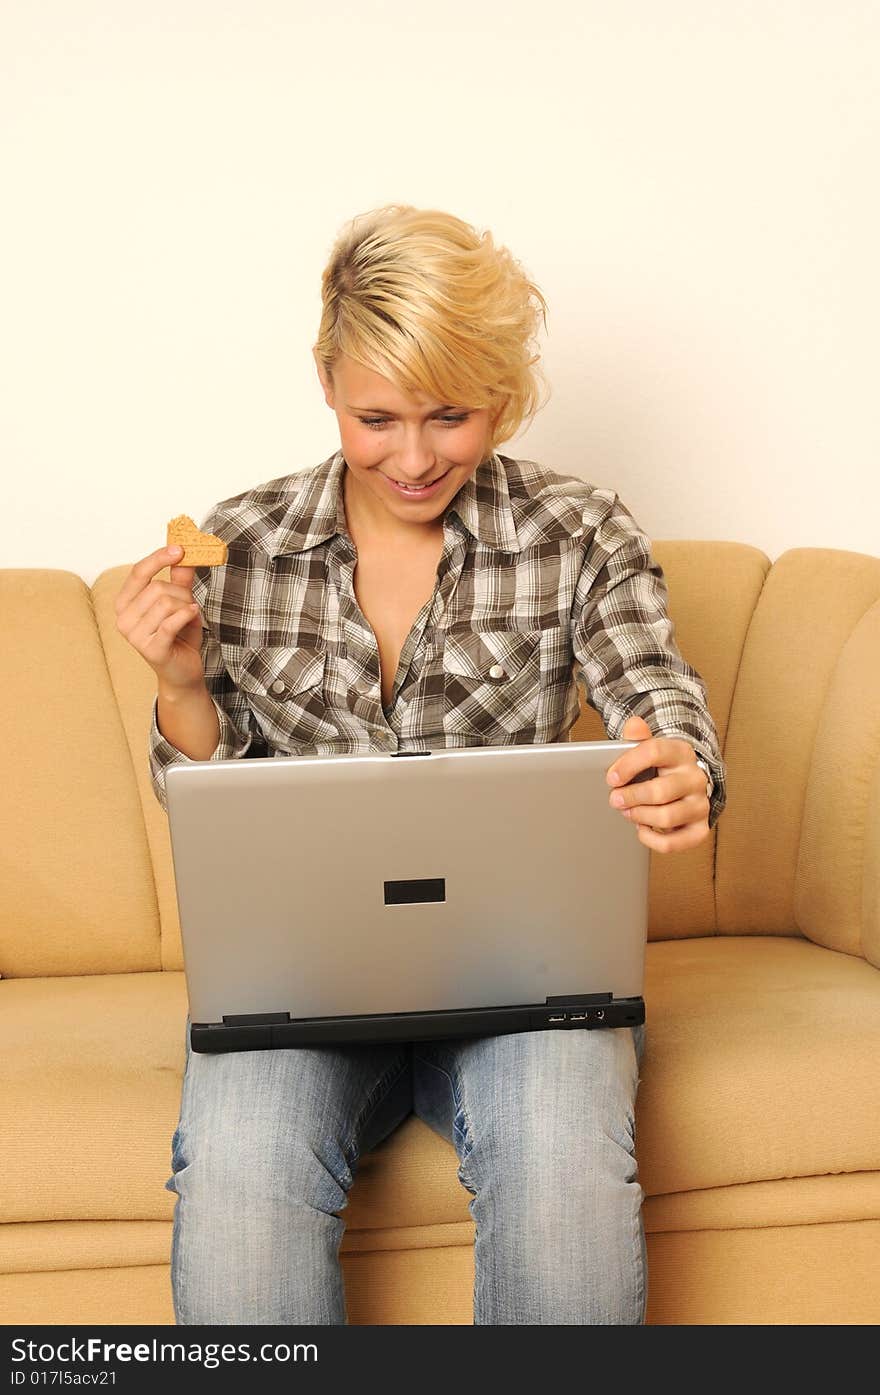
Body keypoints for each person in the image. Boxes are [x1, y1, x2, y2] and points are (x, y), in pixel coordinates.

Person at [115, 203, 726, 1325]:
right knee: (240, 1179)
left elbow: (655, 693)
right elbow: (206, 804)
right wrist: (181, 684)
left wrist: (676, 763)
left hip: (524, 986)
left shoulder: (577, 529)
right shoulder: (240, 543)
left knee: (562, 1166)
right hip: (299, 987)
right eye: (376, 417)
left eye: (451, 416)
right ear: (326, 380)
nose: (412, 457)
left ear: (504, 394)